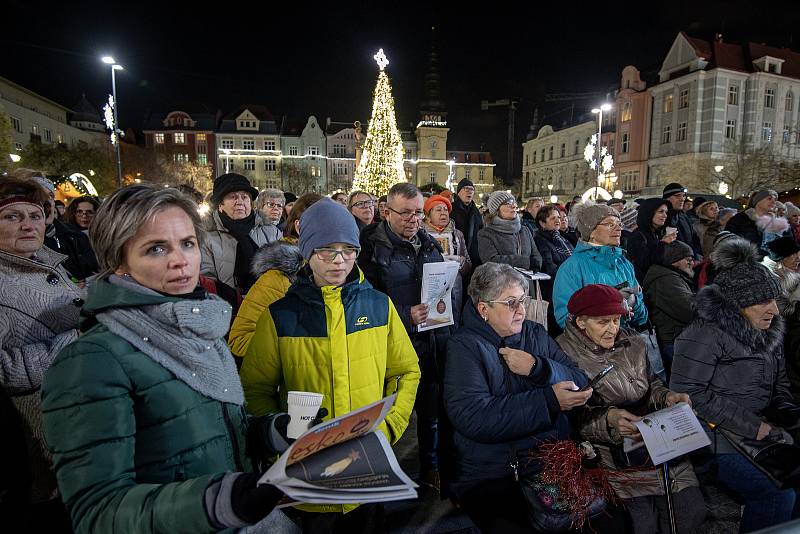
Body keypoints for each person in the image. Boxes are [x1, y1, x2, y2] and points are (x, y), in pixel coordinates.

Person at [40, 184, 287, 534]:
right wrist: (214, 503)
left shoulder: (201, 324)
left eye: (188, 243)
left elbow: (211, 436)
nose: (180, 260)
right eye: (156, 248)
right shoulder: (91, 361)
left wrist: (271, 433)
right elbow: (98, 512)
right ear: (118, 262)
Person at [241, 198, 420, 531]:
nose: (340, 261)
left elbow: (405, 371)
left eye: (349, 250)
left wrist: (391, 425)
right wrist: (278, 439)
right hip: (309, 480)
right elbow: (256, 388)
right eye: (327, 251)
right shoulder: (280, 315)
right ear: (308, 251)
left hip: (366, 474)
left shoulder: (380, 306)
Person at [443, 263, 604, 533]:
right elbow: (474, 416)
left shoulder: (534, 333)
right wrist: (548, 402)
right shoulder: (464, 346)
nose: (521, 310)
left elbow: (578, 378)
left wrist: (539, 368)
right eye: (510, 303)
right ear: (484, 309)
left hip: (549, 459)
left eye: (523, 300)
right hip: (494, 470)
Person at [670, 237, 800, 533]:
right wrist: (755, 427)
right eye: (763, 302)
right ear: (737, 304)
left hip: (759, 430)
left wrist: (788, 412)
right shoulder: (703, 334)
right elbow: (690, 394)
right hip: (714, 440)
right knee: (777, 494)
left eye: (775, 300)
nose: (775, 311)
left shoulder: (769, 328)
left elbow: (779, 384)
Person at [557, 284, 705, 534]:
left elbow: (652, 385)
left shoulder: (633, 341)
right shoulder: (563, 352)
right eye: (603, 322)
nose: (612, 329)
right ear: (581, 322)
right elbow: (571, 415)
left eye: (616, 320)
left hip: (654, 437)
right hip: (609, 452)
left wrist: (668, 398)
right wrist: (610, 419)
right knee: (641, 523)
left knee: (691, 511)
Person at [0, 176, 83, 531]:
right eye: (12, 217)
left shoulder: (46, 263)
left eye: (35, 215)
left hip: (76, 422)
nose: (28, 225)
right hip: (36, 440)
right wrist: (72, 343)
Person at [359, 183, 448, 490]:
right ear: (386, 212)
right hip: (390, 347)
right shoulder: (370, 248)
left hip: (429, 341)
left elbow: (440, 292)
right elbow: (364, 300)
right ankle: (381, 473)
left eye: (419, 213)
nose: (414, 219)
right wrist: (404, 314)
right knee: (389, 413)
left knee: (430, 409)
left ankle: (430, 467)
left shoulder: (430, 244)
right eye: (406, 213)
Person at [228, 193, 322, 359]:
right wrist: (297, 346)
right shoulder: (277, 276)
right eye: (325, 223)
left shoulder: (341, 272)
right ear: (299, 227)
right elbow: (239, 341)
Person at [553, 203, 648, 329]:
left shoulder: (624, 264)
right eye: (610, 224)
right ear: (591, 231)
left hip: (625, 343)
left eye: (619, 224)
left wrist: (634, 302)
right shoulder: (571, 268)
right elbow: (565, 319)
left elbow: (642, 318)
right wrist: (609, 311)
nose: (619, 229)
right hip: (590, 347)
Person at [201, 173, 281, 293]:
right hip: (227, 306)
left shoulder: (271, 232)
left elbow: (282, 273)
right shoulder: (206, 237)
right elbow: (207, 279)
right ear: (220, 205)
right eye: (233, 197)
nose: (240, 202)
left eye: (244, 197)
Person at [25, 174, 99, 282]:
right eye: (40, 196)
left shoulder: (75, 235)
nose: (47, 202)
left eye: (50, 196)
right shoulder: (19, 241)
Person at [643, 240, 696, 378]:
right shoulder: (666, 280)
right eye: (688, 259)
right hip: (674, 342)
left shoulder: (672, 277)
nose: (692, 264)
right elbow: (689, 309)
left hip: (678, 339)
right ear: (675, 260)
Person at [422, 194, 472, 323]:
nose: (443, 213)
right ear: (428, 215)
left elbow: (468, 266)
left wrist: (459, 261)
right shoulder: (420, 234)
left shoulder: (457, 234)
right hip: (429, 287)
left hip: (455, 288)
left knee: (454, 320)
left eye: (445, 210)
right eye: (438, 210)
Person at [477, 190, 542, 272]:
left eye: (514, 202)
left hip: (527, 283)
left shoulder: (525, 230)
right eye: (508, 203)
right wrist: (525, 262)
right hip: (501, 282)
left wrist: (537, 264)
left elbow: (536, 256)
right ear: (496, 210)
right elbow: (491, 260)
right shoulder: (485, 233)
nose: (514, 205)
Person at [626, 197, 675, 281]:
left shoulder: (657, 233)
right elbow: (645, 262)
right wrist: (663, 243)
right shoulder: (638, 236)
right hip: (644, 284)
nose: (665, 215)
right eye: (661, 212)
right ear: (649, 213)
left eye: (666, 212)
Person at [726, 189, 778, 256]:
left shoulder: (777, 222)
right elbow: (727, 242)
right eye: (769, 198)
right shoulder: (739, 219)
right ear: (758, 201)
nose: (774, 202)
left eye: (775, 200)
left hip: (771, 264)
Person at [662, 183, 702, 258]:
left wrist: (695, 255)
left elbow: (694, 239)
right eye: (678, 196)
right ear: (667, 198)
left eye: (683, 195)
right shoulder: (660, 218)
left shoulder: (683, 217)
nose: (682, 199)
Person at [450, 178, 483, 267]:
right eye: (466, 189)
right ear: (459, 192)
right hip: (457, 254)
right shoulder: (451, 210)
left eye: (472, 189)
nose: (469, 192)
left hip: (474, 256)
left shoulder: (476, 212)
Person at [534, 204, 574, 278]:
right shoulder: (540, 240)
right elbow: (549, 268)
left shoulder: (562, 238)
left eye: (558, 217)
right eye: (553, 218)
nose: (558, 220)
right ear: (542, 223)